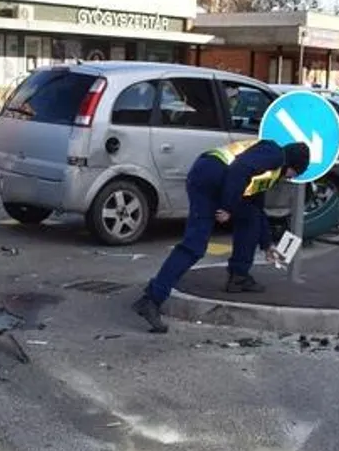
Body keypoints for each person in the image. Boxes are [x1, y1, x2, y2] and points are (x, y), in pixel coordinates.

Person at [131, 138, 311, 333]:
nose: (291, 178)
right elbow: (238, 170)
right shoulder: (274, 154)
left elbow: (256, 207)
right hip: (208, 179)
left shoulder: (270, 168)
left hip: (214, 178)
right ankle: (151, 299)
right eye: (295, 173)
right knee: (195, 246)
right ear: (292, 165)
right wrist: (227, 207)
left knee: (250, 218)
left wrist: (267, 244)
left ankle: (239, 276)